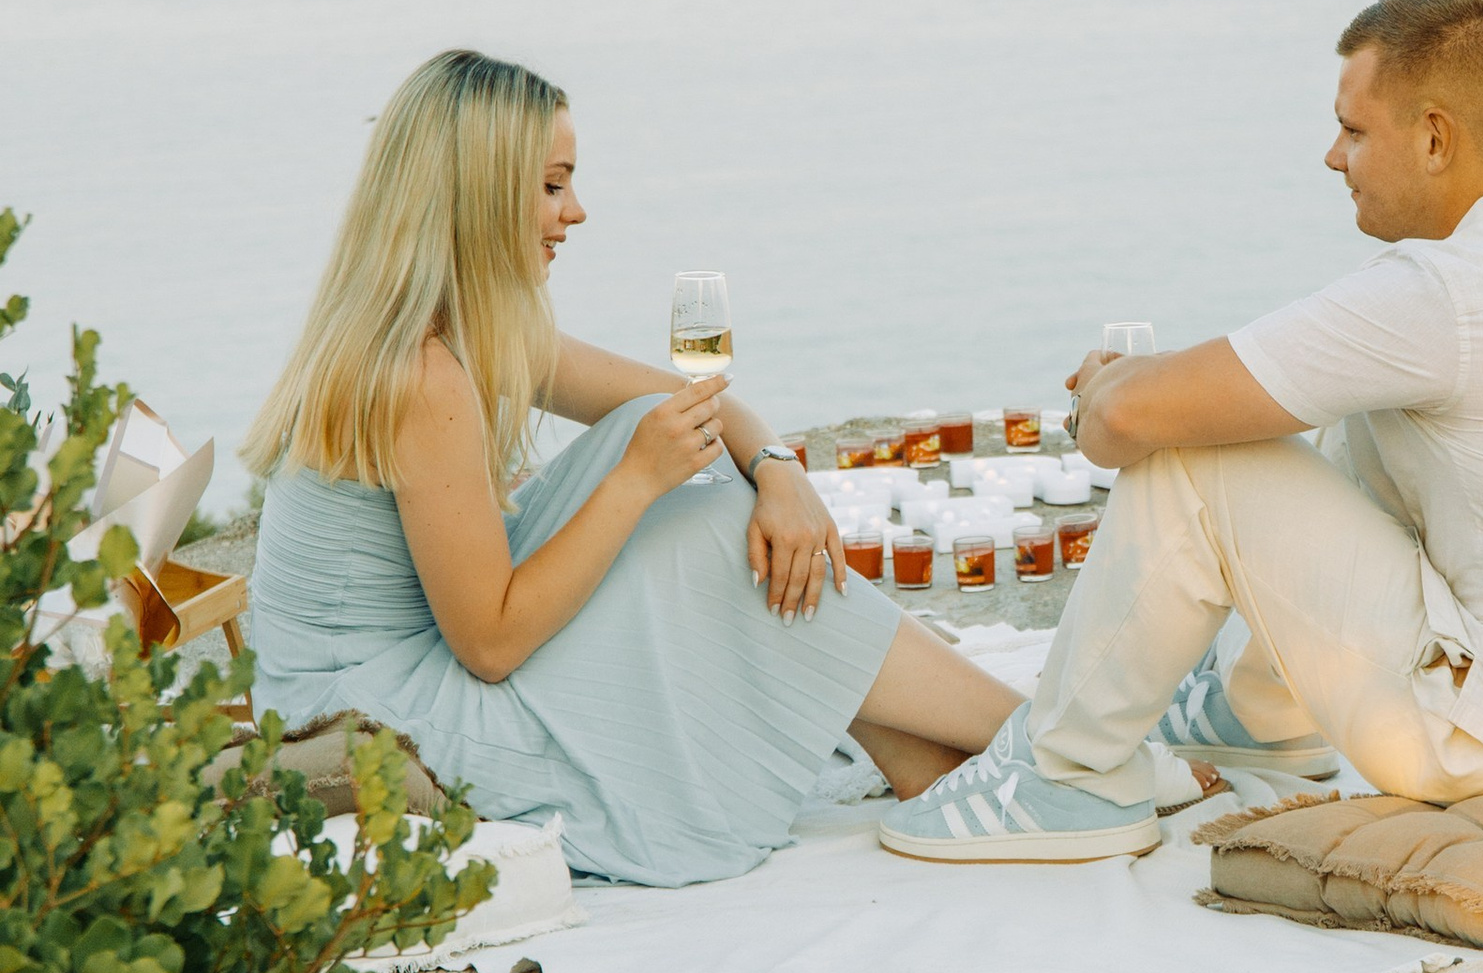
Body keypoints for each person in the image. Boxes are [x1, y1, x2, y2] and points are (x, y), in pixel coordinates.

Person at [878, 0, 1483, 864]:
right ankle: (1261, 714)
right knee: (1350, 410)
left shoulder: (1437, 295)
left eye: (1355, 131)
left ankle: (1068, 775)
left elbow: (1126, 423)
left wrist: (1106, 390)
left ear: (1434, 138)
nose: (1333, 158)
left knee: (1192, 460)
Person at [245, 49, 1018, 885]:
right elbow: (491, 646)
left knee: (696, 478)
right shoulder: (419, 373)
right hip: (376, 716)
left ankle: (941, 750)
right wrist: (636, 482)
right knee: (700, 517)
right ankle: (1040, 741)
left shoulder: (459, 323)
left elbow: (697, 407)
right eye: (552, 186)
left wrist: (780, 472)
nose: (575, 212)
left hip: (410, 665)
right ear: (478, 195)